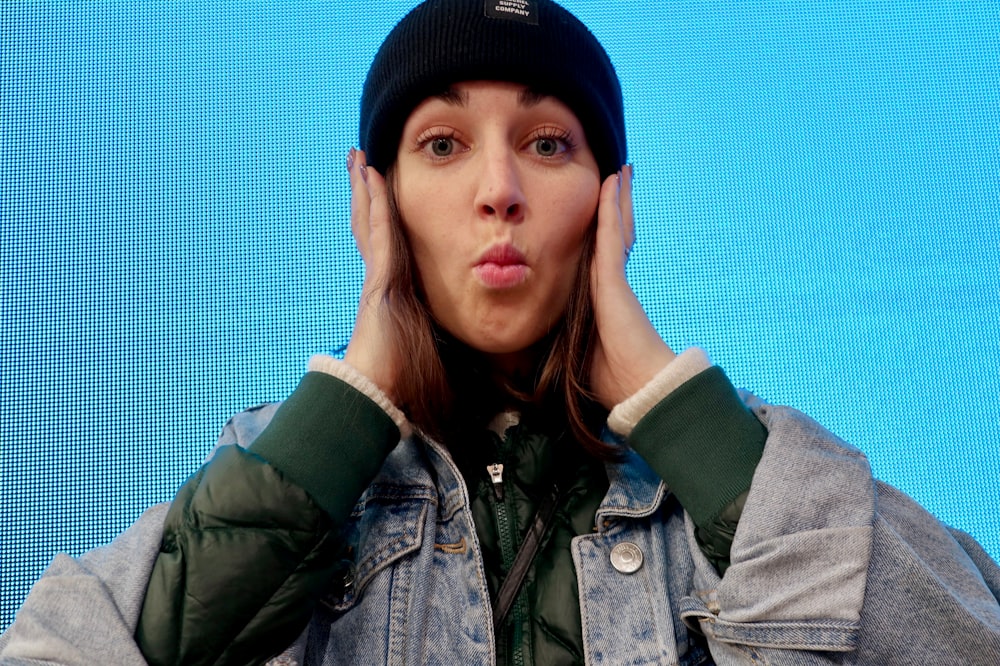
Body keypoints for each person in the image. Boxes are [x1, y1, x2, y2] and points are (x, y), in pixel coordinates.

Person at [2, 0, 999, 664]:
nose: (499, 192)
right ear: (376, 200)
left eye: (548, 144)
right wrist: (351, 400)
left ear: (612, 199)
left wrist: (673, 402)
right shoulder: (283, 468)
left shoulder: (735, 473)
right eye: (441, 145)